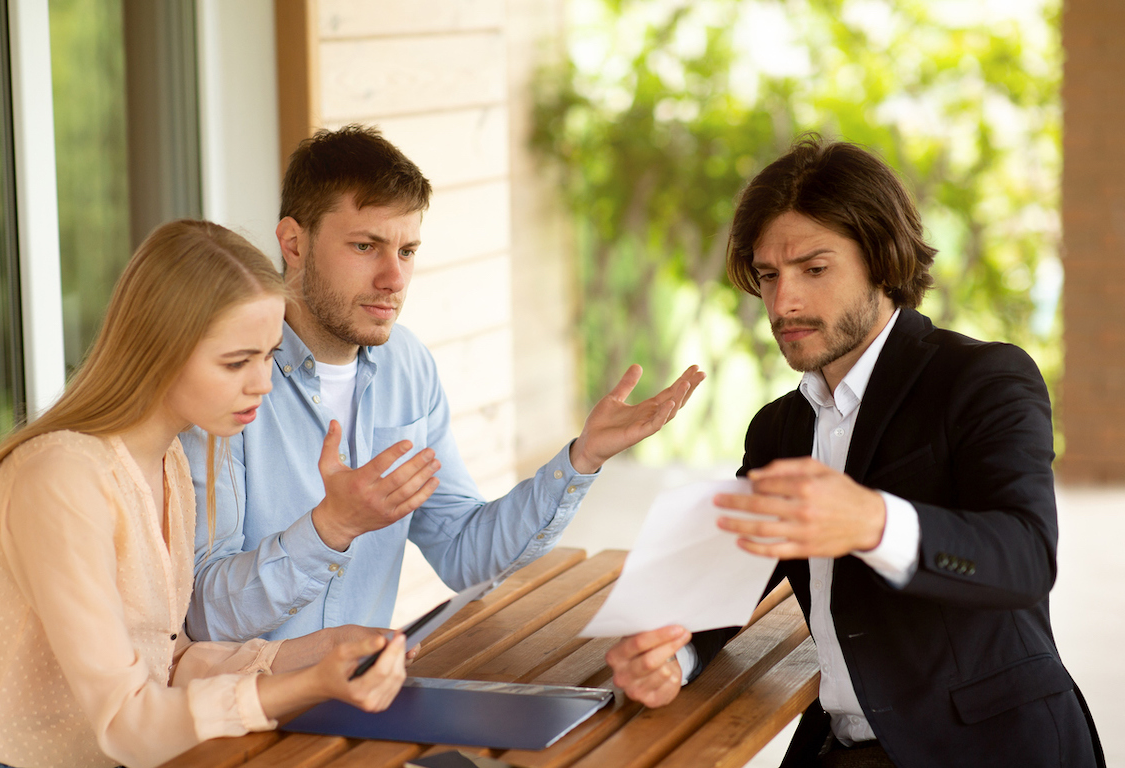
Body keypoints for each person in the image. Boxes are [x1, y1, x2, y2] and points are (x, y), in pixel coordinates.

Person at [603, 136, 1104, 767]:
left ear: (882, 260)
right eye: (767, 275)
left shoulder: (983, 379)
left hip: (990, 748)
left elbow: (1025, 558)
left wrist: (872, 521)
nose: (783, 303)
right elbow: (725, 586)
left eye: (814, 269)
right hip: (843, 749)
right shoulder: (778, 431)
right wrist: (669, 656)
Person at [182, 125, 705, 643]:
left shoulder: (406, 364)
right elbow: (205, 616)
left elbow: (463, 552)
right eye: (366, 246)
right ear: (294, 243)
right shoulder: (229, 378)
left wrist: (582, 458)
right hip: (246, 712)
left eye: (407, 251)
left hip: (362, 693)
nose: (395, 278)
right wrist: (330, 528)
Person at [0, 220, 407, 768]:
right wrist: (305, 686)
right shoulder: (61, 478)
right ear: (160, 351)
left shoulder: (168, 463)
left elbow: (167, 663)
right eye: (235, 362)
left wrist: (311, 654)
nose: (263, 384)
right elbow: (130, 724)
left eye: (267, 356)